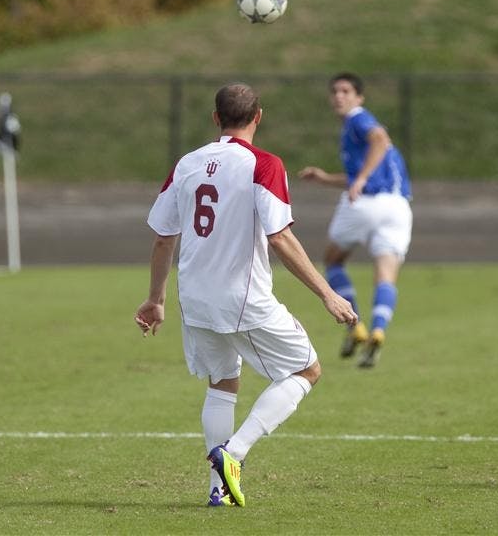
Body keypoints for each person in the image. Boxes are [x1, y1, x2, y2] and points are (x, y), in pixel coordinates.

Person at [134, 83, 358, 508]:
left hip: (195, 299)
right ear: (259, 117)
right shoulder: (264, 164)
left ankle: (217, 488)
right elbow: (280, 237)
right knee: (306, 371)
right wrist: (327, 293)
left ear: (216, 118)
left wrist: (156, 298)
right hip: (241, 297)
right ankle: (232, 455)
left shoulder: (187, 164)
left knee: (223, 382)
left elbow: (164, 238)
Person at [298, 72, 412, 368]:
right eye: (335, 91)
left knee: (333, 261)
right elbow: (365, 174)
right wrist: (326, 179)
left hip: (365, 205)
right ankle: (378, 331)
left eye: (346, 91)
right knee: (386, 275)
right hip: (398, 207)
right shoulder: (359, 127)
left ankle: (355, 325)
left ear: (359, 98)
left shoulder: (359, 120)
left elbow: (379, 140)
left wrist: (360, 179)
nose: (339, 96)